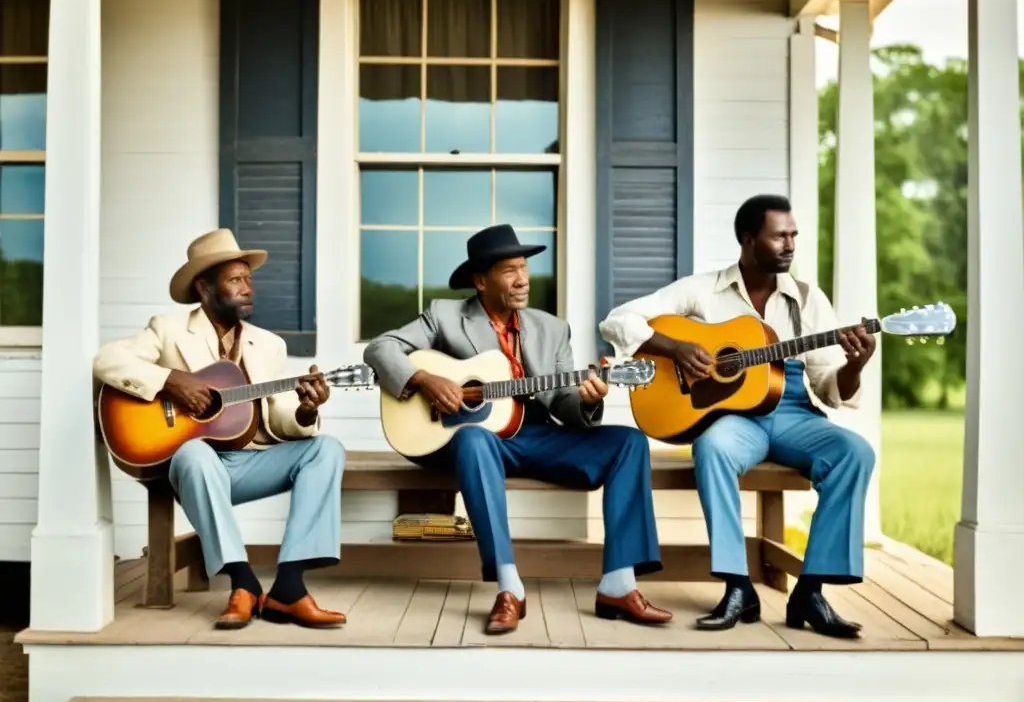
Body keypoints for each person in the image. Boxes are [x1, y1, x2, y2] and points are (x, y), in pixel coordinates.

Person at [364, 224, 671, 635]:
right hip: (478, 441)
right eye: (509, 270)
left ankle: (619, 583)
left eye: (524, 267)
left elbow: (565, 401)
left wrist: (589, 398)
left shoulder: (552, 328)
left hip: (538, 437)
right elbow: (379, 348)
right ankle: (509, 587)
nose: (522, 279)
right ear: (480, 280)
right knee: (474, 437)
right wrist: (424, 380)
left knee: (629, 442)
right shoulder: (445, 316)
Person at [598, 195, 876, 639]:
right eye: (779, 235)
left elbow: (830, 388)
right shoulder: (702, 290)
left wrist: (856, 364)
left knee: (855, 453)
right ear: (748, 240)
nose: (790, 245)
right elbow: (617, 321)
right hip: (734, 418)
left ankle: (811, 590)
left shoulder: (807, 300)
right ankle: (737, 585)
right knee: (711, 447)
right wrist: (676, 348)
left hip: (792, 411)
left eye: (793, 235)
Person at [93, 229, 347, 631]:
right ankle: (242, 582)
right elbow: (108, 360)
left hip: (250, 463)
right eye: (235, 280)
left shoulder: (270, 345)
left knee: (327, 447)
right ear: (204, 286)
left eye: (249, 279)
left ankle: (289, 588)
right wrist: (173, 381)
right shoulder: (168, 329)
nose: (248, 288)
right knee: (195, 452)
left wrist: (303, 410)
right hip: (192, 466)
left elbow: (278, 419)